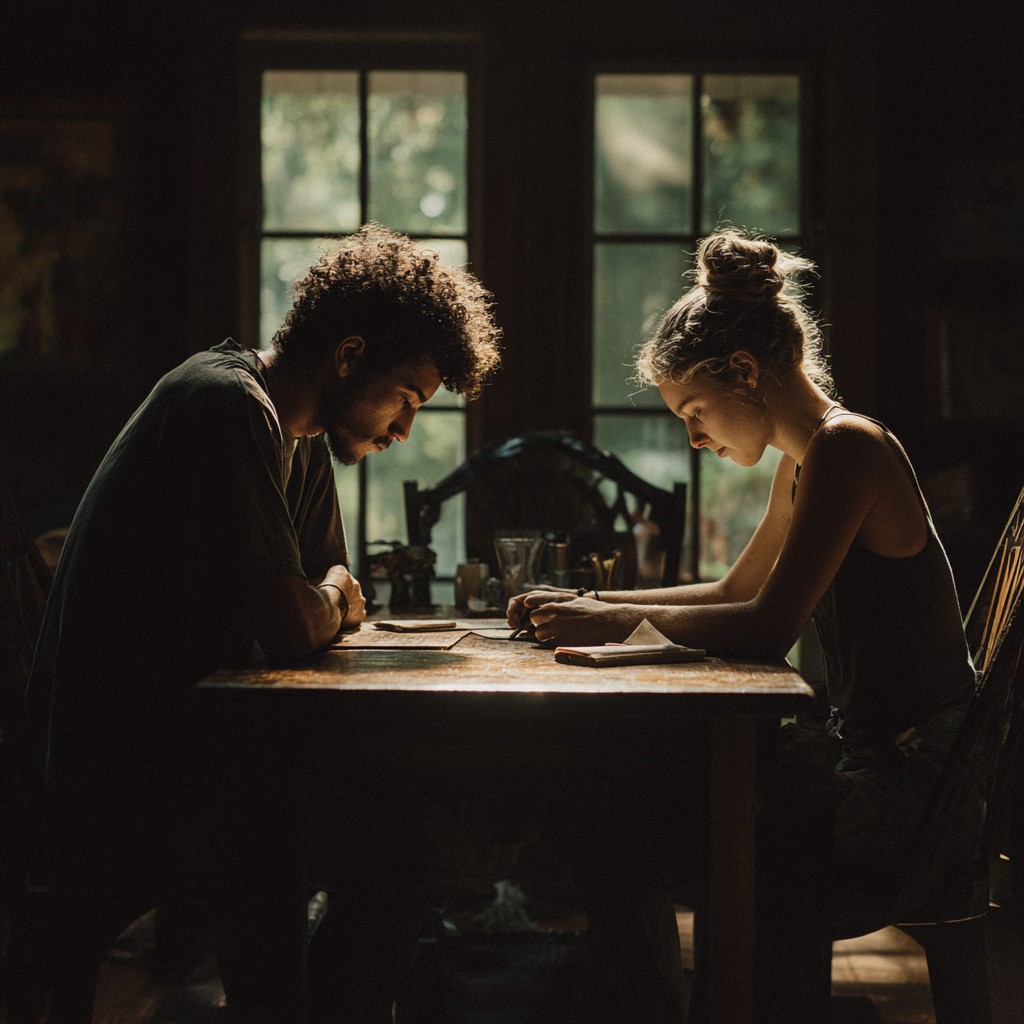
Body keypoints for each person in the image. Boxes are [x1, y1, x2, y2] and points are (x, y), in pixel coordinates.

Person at [24, 223, 501, 1022]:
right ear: (349, 356)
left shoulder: (302, 433)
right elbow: (298, 619)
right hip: (123, 774)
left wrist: (328, 598)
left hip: (210, 750)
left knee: (414, 829)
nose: (404, 430)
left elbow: (335, 601)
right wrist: (326, 599)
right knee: (401, 851)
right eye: (407, 399)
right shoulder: (225, 403)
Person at [507, 230, 981, 1022]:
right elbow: (739, 586)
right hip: (865, 763)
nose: (693, 437)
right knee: (619, 826)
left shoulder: (849, 450)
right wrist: (598, 605)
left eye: (695, 411)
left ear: (744, 373)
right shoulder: (809, 459)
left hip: (908, 793)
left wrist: (615, 618)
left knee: (629, 832)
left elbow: (766, 626)